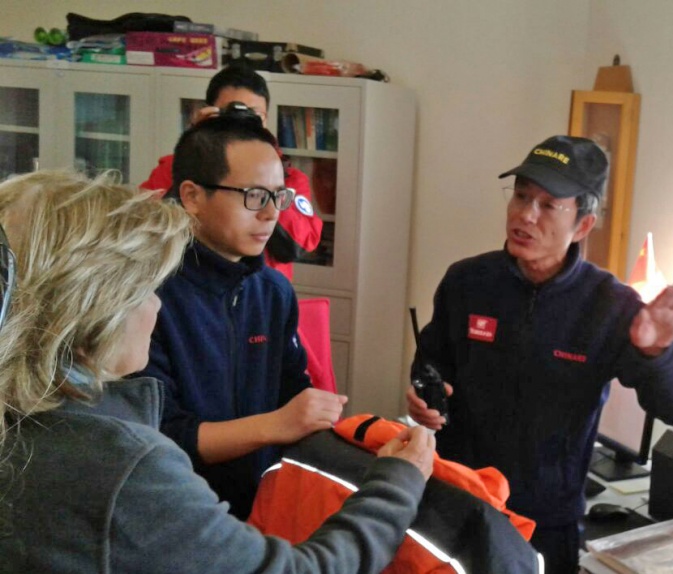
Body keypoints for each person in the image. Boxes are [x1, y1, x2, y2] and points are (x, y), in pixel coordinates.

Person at [0, 169, 435, 573]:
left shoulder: (24, 419)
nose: (157, 304)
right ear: (96, 307)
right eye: (147, 289)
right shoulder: (124, 468)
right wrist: (397, 482)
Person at [406, 135, 673, 573]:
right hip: (457, 500)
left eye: (549, 205)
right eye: (521, 196)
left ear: (583, 225)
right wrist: (424, 395)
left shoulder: (609, 305)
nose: (525, 214)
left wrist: (658, 351)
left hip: (546, 522)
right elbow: (431, 362)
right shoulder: (467, 281)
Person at [135, 113, 343, 520]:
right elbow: (156, 434)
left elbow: (292, 390)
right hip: (175, 514)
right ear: (192, 196)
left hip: (260, 509)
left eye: (278, 196)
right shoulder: (147, 296)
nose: (270, 214)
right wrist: (276, 425)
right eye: (254, 196)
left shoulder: (272, 292)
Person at [141, 63, 322, 280]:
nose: (242, 122)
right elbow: (146, 229)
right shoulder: (172, 166)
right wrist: (197, 149)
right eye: (230, 112)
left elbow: (295, 247)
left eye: (254, 114)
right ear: (208, 113)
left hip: (260, 289)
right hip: (190, 281)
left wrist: (267, 182)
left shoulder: (289, 177)